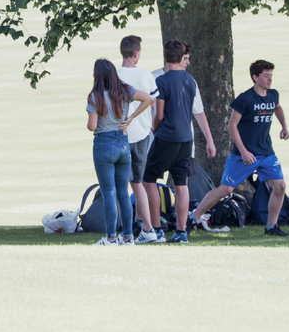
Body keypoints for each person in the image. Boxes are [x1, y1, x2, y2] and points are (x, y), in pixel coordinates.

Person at [190, 60, 289, 236]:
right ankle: (194, 217)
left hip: (266, 153)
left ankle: (271, 227)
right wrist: (244, 151)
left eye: (271, 76)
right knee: (226, 189)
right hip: (244, 155)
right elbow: (232, 126)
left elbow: (278, 107)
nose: (269, 79)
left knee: (280, 186)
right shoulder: (245, 99)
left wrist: (284, 126)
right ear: (255, 77)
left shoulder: (273, 95)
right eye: (266, 76)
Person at [141, 40, 215, 244]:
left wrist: (155, 129)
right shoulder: (190, 80)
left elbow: (159, 115)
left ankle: (156, 230)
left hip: (166, 137)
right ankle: (182, 232)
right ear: (182, 58)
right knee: (182, 183)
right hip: (186, 140)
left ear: (166, 57)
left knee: (148, 180)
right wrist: (209, 140)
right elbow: (195, 110)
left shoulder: (161, 81)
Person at [86, 59, 153, 246]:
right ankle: (128, 236)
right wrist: (130, 118)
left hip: (104, 144)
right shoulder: (124, 90)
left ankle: (110, 237)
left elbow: (92, 126)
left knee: (109, 193)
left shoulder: (95, 96)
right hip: (123, 143)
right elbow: (148, 98)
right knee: (124, 192)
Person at [115, 36, 162, 244]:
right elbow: (154, 107)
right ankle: (146, 227)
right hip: (142, 134)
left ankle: (133, 230)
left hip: (119, 134)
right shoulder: (146, 75)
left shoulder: (113, 75)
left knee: (120, 185)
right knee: (138, 183)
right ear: (136, 53)